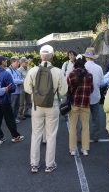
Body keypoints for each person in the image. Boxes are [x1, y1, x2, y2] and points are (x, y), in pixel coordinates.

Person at [24, 45, 68, 173]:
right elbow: (64, 91)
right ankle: (49, 164)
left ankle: (34, 164)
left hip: (37, 106)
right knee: (51, 135)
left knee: (36, 134)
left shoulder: (32, 71)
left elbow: (27, 89)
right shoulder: (58, 71)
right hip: (52, 106)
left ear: (40, 55)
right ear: (52, 56)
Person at [0, 56, 25, 145]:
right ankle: (15, 136)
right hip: (5, 100)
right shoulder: (6, 73)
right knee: (10, 119)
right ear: (3, 62)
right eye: (5, 60)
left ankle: (0, 138)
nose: (6, 62)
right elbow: (12, 88)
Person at [67, 57, 93, 156]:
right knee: (85, 126)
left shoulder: (71, 74)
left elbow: (69, 88)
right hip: (85, 104)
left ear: (75, 65)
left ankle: (72, 149)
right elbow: (91, 90)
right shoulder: (89, 75)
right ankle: (85, 149)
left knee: (73, 127)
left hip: (74, 104)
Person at [83, 47, 103, 142]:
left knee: (84, 118)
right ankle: (95, 136)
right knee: (96, 117)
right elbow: (101, 82)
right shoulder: (99, 68)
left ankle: (83, 136)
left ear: (86, 57)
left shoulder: (83, 67)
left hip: (84, 96)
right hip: (96, 95)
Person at [7, 56, 24, 124]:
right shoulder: (8, 70)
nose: (18, 64)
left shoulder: (17, 70)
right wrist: (22, 81)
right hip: (13, 92)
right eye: (17, 62)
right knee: (12, 106)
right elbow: (12, 81)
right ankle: (10, 120)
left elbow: (20, 79)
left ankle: (14, 118)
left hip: (18, 91)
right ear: (13, 62)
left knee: (17, 106)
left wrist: (21, 80)